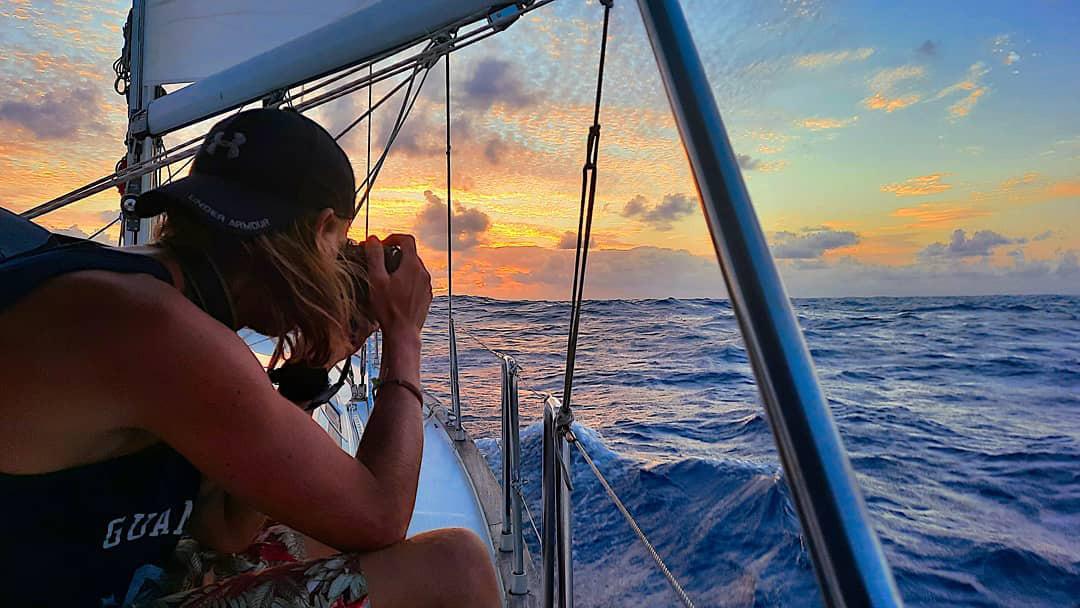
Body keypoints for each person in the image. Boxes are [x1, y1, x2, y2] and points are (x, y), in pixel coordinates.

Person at [0, 109, 501, 607]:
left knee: (309, 531)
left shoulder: (139, 292)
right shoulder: (164, 333)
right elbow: (379, 518)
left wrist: (309, 372)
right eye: (339, 242)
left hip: (75, 572)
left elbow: (225, 528)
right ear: (323, 227)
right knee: (455, 566)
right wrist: (404, 336)